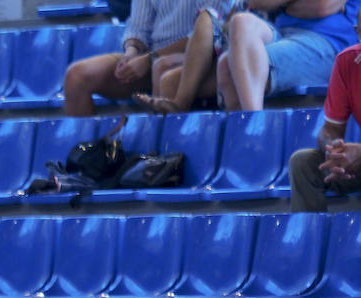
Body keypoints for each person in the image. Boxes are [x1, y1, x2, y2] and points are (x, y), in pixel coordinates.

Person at [217, 0, 359, 110]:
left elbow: (322, 5)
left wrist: (284, 5)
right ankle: (254, 123)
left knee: (229, 65)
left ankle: (254, 126)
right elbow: (257, 1)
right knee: (241, 22)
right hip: (284, 33)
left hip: (329, 41)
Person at [63, 0, 197, 116]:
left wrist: (150, 58)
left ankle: (161, 141)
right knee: (76, 77)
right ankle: (89, 145)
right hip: (151, 56)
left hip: (194, 57)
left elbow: (207, 32)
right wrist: (132, 50)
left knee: (161, 66)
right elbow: (137, 27)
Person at [289, 18, 361, 209]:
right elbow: (330, 129)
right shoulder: (347, 62)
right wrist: (333, 150)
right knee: (303, 163)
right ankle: (305, 237)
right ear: (358, 32)